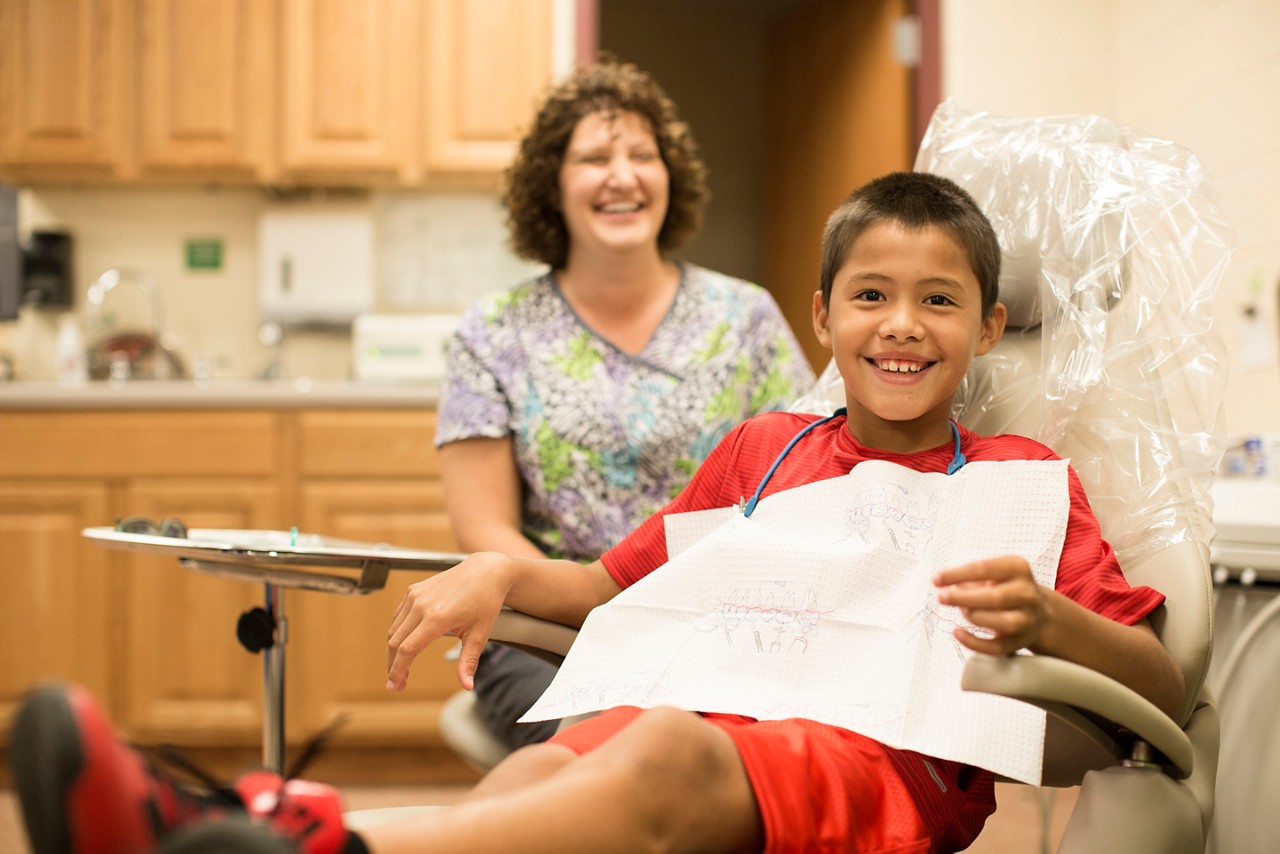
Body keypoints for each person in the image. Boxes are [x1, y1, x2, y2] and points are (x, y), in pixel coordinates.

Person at [10, 172, 1184, 854]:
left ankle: (258, 829)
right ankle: (250, 829)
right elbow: (613, 588)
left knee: (662, 741)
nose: (900, 325)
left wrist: (1045, 619)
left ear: (985, 329)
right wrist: (498, 576)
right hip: (704, 712)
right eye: (870, 295)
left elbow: (1156, 689)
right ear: (822, 315)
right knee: (560, 766)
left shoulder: (1019, 480)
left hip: (879, 770)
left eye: (938, 301)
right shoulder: (763, 448)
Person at [436, 58, 814, 751]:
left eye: (643, 154)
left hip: (719, 624)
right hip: (544, 633)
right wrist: (598, 617)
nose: (623, 175)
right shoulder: (492, 333)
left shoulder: (746, 318)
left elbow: (804, 485)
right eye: (594, 157)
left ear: (670, 178)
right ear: (551, 185)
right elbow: (484, 532)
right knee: (618, 756)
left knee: (758, 764)